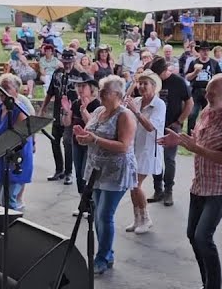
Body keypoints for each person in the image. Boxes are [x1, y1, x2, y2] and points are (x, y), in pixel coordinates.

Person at [160, 74, 222, 289]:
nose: (206, 97)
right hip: (200, 183)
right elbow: (198, 138)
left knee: (203, 236)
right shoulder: (209, 110)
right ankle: (206, 284)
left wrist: (194, 147)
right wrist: (179, 140)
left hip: (220, 186)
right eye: (206, 92)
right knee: (192, 234)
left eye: (212, 94)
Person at [75, 75, 138, 275]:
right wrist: (83, 138)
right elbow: (89, 134)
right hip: (95, 170)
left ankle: (101, 257)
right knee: (97, 214)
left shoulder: (124, 115)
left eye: (105, 91)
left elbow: (124, 146)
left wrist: (94, 139)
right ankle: (107, 254)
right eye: (100, 90)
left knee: (104, 215)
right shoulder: (99, 110)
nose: (100, 94)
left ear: (118, 94)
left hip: (116, 171)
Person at [125, 71, 166, 235]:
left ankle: (146, 218)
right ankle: (137, 218)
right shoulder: (136, 101)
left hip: (149, 150)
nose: (141, 87)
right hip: (134, 147)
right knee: (132, 185)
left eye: (145, 83)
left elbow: (151, 127)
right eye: (139, 83)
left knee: (135, 183)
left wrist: (136, 112)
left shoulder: (159, 105)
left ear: (154, 87)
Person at [0, 73, 35, 210]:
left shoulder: (19, 109)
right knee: (3, 200)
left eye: (6, 88)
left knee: (8, 200)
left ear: (16, 90)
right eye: (1, 88)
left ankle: (13, 227)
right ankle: (4, 227)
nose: (2, 92)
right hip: (1, 156)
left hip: (16, 157)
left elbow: (20, 135)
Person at [149, 58, 192, 208]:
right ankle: (157, 189)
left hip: (172, 126)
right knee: (156, 158)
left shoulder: (178, 82)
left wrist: (179, 121)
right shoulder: (153, 83)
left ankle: (168, 190)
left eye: (157, 74)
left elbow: (189, 102)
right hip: (156, 125)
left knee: (169, 159)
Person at [39, 60, 75, 185]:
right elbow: (50, 93)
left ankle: (69, 172)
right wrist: (43, 108)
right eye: (65, 61)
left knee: (67, 141)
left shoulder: (77, 75)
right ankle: (59, 169)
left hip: (70, 114)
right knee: (54, 140)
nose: (67, 64)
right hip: (57, 113)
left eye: (69, 61)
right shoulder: (57, 73)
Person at [69, 75, 102, 193]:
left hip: (89, 143)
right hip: (76, 141)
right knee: (78, 171)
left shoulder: (97, 105)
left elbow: (91, 125)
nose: (80, 89)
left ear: (91, 88)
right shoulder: (75, 103)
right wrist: (66, 111)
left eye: (83, 86)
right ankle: (82, 203)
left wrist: (84, 110)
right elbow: (67, 122)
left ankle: (89, 202)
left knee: (85, 172)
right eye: (78, 86)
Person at [184, 42, 219, 132]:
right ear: (199, 51)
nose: (205, 52)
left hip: (210, 93)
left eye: (207, 50)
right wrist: (195, 72)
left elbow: (220, 77)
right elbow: (187, 77)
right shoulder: (194, 62)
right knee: (192, 114)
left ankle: (208, 134)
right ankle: (190, 135)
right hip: (196, 91)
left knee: (210, 115)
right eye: (203, 50)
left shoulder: (214, 63)